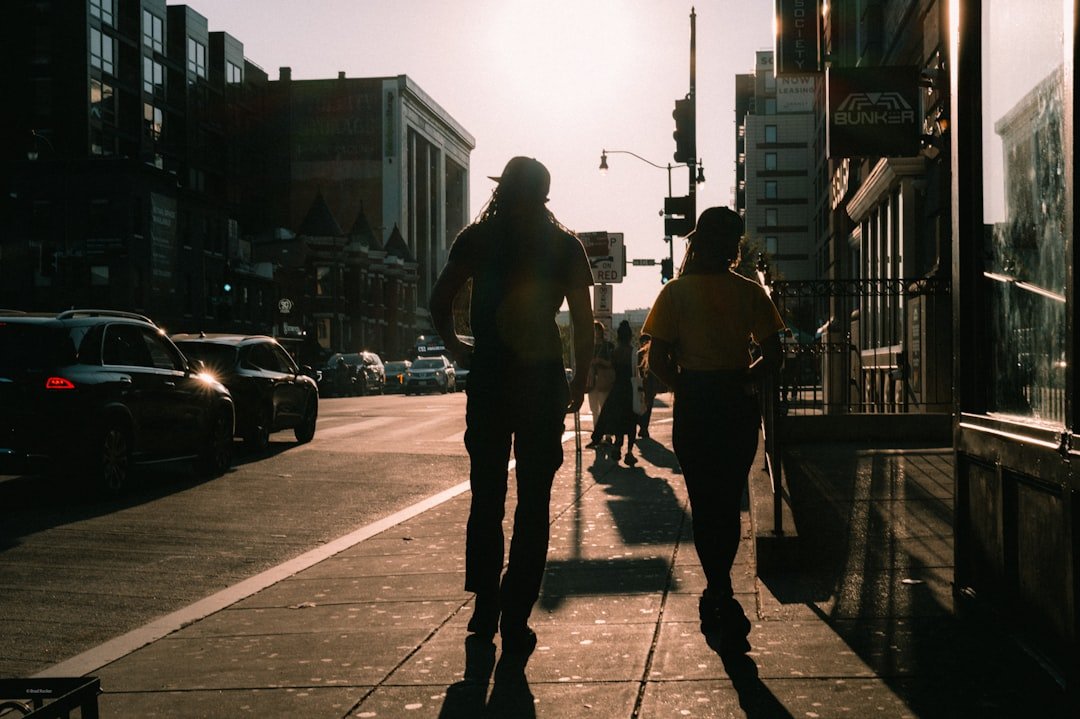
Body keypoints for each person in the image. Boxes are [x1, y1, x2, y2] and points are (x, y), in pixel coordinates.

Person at [429, 156, 594, 655]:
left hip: (490, 376)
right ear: (544, 195)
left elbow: (439, 300)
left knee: (487, 495)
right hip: (541, 380)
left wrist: (457, 346)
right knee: (534, 501)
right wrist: (580, 379)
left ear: (501, 189)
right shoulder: (565, 245)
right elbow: (583, 322)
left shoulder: (477, 238)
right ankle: (516, 614)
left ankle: (485, 605)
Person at [641, 206, 784, 656]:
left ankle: (718, 588)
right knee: (727, 500)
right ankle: (720, 590)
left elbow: (656, 360)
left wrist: (686, 386)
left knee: (705, 504)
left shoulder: (674, 293)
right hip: (735, 404)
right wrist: (743, 379)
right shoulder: (749, 292)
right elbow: (775, 355)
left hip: (696, 406)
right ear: (733, 247)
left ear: (697, 241)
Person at [593, 320, 639, 466]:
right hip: (630, 390)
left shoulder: (615, 352)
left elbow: (611, 369)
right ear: (630, 336)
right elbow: (637, 372)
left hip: (617, 390)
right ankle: (629, 452)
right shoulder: (633, 352)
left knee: (619, 421)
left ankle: (617, 447)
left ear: (618, 336)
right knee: (631, 421)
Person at [585, 321, 614, 448]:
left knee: (605, 409)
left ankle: (608, 436)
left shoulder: (608, 346)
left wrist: (599, 361)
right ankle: (597, 436)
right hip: (592, 381)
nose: (596, 333)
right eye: (594, 331)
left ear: (601, 331)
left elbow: (612, 363)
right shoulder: (589, 346)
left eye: (598, 330)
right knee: (594, 410)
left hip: (604, 380)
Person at [636, 335, 662, 440]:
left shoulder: (639, 354)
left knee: (641, 407)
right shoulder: (651, 354)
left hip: (643, 384)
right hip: (649, 385)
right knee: (648, 407)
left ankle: (643, 427)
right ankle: (644, 428)